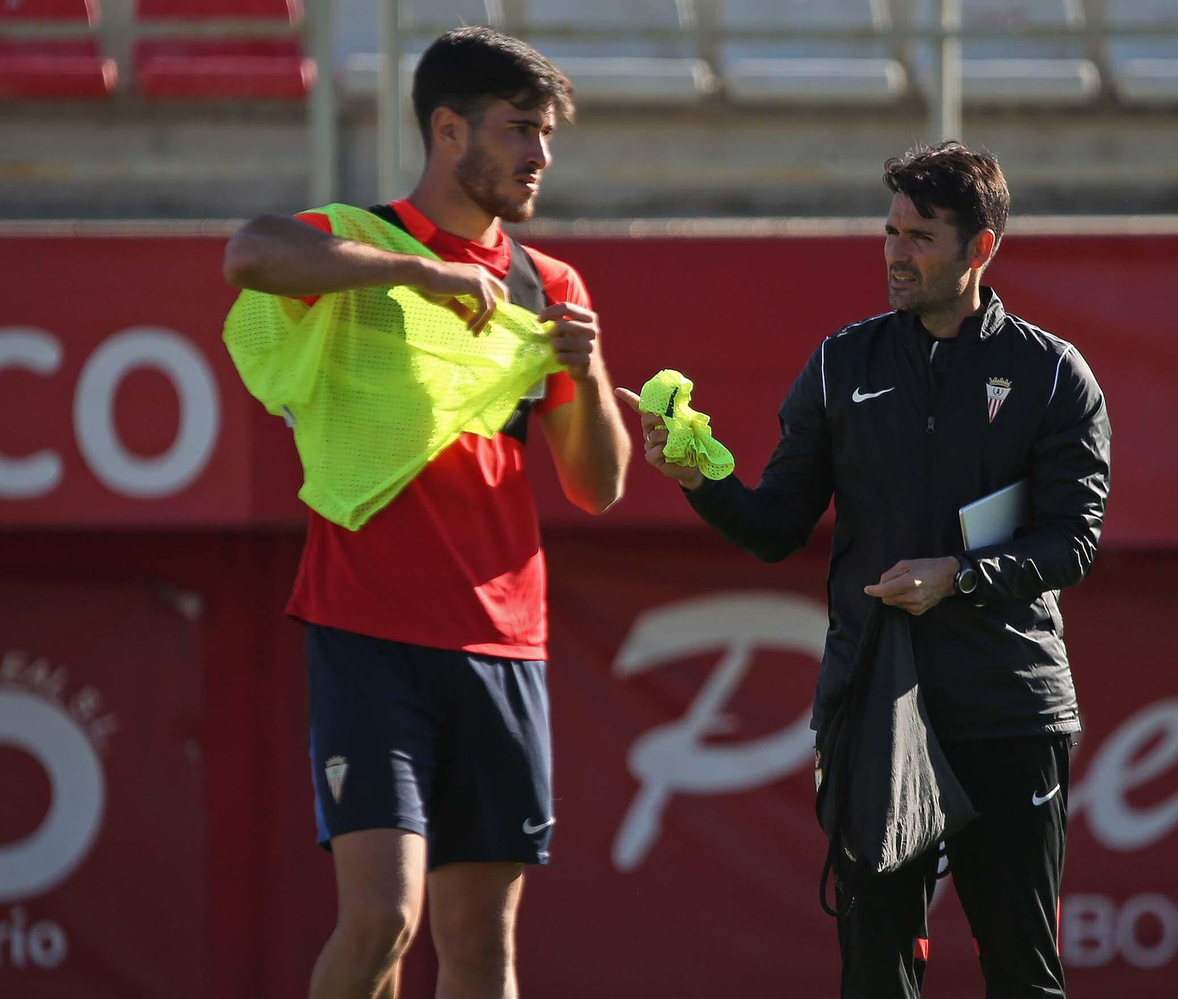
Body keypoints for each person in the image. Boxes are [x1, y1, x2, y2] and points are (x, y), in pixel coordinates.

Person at [621, 141, 1111, 998]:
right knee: (875, 974)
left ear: (980, 248)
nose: (895, 252)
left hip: (1008, 702)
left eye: (920, 236)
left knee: (1023, 973)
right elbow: (776, 525)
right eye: (889, 231)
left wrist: (956, 576)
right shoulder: (841, 363)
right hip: (877, 703)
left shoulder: (1051, 373)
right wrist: (699, 479)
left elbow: (1072, 541)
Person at [222, 27, 630, 999]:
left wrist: (590, 367)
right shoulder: (364, 236)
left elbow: (597, 486)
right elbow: (250, 255)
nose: (540, 155)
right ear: (448, 130)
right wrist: (420, 273)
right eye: (520, 130)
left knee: (482, 949)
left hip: (502, 644)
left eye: (547, 135)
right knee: (381, 921)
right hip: (368, 631)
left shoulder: (552, 286)